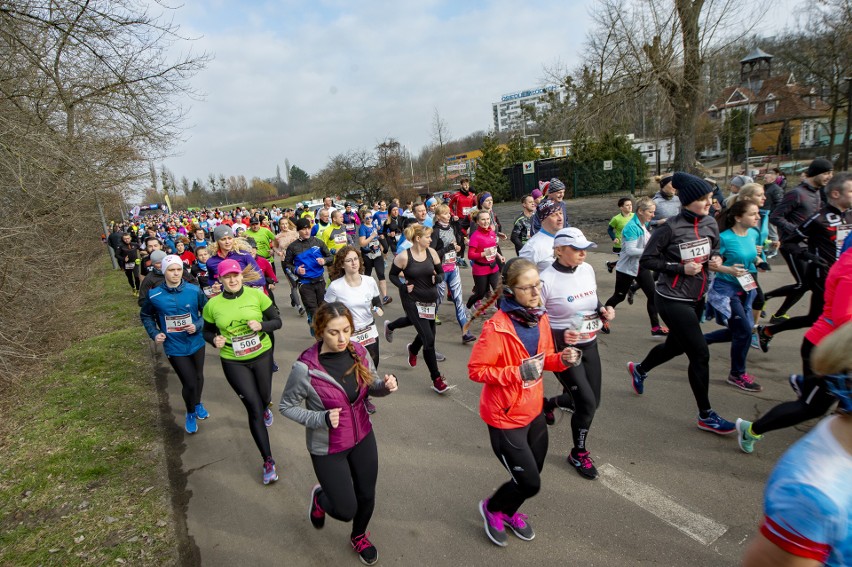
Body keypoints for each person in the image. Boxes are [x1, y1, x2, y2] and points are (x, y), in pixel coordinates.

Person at [468, 257, 581, 547]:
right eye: (528, 287)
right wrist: (515, 372)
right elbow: (476, 371)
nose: (535, 292)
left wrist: (562, 359)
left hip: (534, 411)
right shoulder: (497, 328)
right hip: (505, 418)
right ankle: (492, 508)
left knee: (532, 474)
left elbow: (543, 361)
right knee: (530, 482)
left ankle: (507, 512)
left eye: (538, 285)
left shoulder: (540, 317)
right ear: (510, 291)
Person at [279, 302, 398, 566]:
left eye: (346, 330)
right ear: (320, 331)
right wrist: (319, 418)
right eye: (334, 332)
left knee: (367, 495)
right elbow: (286, 406)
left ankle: (359, 537)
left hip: (363, 436)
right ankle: (321, 498)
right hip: (328, 447)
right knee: (345, 510)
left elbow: (371, 386)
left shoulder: (358, 351)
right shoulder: (305, 368)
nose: (342, 338)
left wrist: (386, 387)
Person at [626, 172, 740, 434]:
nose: (710, 203)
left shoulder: (711, 223)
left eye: (711, 198)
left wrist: (716, 261)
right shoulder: (669, 228)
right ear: (688, 201)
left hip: (697, 296)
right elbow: (647, 262)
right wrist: (679, 267)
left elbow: (715, 250)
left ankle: (640, 369)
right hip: (671, 299)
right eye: (704, 199)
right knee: (699, 354)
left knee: (676, 346)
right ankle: (706, 415)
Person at [741, 323, 851, 567]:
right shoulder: (812, 494)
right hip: (823, 347)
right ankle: (751, 429)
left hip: (827, 352)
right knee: (809, 407)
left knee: (810, 406)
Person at [736, 245, 852, 454]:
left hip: (838, 348)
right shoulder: (849, 268)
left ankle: (806, 384)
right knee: (811, 408)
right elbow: (842, 316)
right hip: (829, 350)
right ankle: (751, 430)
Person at [540, 228, 613, 479]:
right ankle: (578, 453)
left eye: (585, 248)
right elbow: (534, 321)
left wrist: (603, 311)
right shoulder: (545, 279)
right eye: (576, 249)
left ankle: (550, 403)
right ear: (559, 250)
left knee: (594, 401)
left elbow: (593, 300)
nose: (583, 253)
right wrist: (560, 337)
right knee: (587, 404)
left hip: (589, 344)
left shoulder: (587, 270)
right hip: (564, 351)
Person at [202, 259, 283, 485]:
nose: (232, 279)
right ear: (220, 279)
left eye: (235, 275)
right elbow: (206, 332)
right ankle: (268, 460)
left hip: (262, 355)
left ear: (241, 275)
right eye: (227, 276)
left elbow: (277, 321)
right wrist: (213, 339)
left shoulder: (257, 296)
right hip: (233, 361)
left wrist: (262, 326)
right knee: (253, 408)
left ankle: (266, 406)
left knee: (264, 398)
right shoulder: (212, 305)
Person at [758, 172, 851, 353]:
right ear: (836, 194)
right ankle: (825, 362)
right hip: (822, 276)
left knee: (814, 318)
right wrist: (810, 257)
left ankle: (768, 330)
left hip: (845, 276)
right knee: (834, 319)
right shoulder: (818, 219)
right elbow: (790, 242)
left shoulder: (850, 216)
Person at [140, 255, 209, 434]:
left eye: (179, 269)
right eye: (171, 270)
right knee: (189, 382)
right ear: (164, 272)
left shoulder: (194, 290)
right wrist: (154, 333)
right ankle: (191, 412)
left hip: (196, 341)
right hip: (174, 345)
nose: (176, 273)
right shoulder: (154, 295)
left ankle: (198, 403)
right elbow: (146, 315)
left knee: (199, 377)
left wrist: (198, 325)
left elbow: (207, 313)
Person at [703, 200, 764, 392]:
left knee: (739, 331)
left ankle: (699, 340)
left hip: (746, 288)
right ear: (738, 217)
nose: (758, 217)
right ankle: (737, 374)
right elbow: (711, 264)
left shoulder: (753, 234)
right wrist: (727, 269)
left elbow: (749, 254)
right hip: (725, 290)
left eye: (757, 213)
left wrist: (758, 259)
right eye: (753, 214)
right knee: (744, 331)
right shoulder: (725, 238)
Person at [384, 223, 452, 393]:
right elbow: (392, 275)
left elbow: (441, 272)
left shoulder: (432, 253)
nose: (431, 239)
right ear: (418, 238)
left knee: (423, 332)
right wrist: (402, 286)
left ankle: (412, 348)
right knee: (429, 339)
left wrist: (439, 279)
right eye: (428, 237)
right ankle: (436, 379)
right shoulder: (404, 256)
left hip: (430, 300)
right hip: (412, 300)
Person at [764, 157, 833, 323]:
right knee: (804, 284)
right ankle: (764, 298)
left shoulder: (817, 193)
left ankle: (778, 313)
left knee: (807, 284)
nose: (829, 176)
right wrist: (797, 231)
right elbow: (776, 216)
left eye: (831, 173)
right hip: (792, 245)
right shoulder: (796, 193)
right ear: (815, 173)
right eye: (826, 173)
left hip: (808, 247)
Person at [324, 246, 384, 414]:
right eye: (349, 260)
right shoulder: (336, 287)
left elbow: (377, 302)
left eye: (356, 259)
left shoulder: (369, 281)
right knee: (353, 368)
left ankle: (365, 396)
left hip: (370, 330)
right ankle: (358, 399)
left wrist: (378, 309)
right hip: (351, 334)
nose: (353, 263)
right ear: (342, 265)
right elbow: (326, 308)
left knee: (372, 366)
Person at [604, 197, 667, 336]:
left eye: (653, 212)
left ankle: (655, 328)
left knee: (653, 296)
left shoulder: (642, 224)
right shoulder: (632, 227)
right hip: (626, 270)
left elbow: (647, 243)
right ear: (641, 211)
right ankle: (602, 318)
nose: (653, 215)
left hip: (641, 267)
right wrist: (652, 252)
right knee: (618, 297)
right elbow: (631, 251)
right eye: (651, 212)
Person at [431, 204, 476, 343]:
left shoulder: (451, 227)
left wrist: (457, 248)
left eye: (449, 213)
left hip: (453, 268)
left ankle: (465, 332)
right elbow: (432, 255)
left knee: (458, 300)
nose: (449, 215)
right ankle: (427, 324)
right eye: (445, 214)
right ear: (438, 217)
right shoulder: (435, 231)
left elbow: (457, 245)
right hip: (441, 270)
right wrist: (447, 248)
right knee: (437, 301)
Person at [283, 217, 333, 329]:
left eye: (308, 228)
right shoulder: (293, 247)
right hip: (305, 284)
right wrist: (296, 270)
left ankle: (316, 324)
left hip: (320, 281)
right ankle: (319, 333)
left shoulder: (318, 243)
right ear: (298, 231)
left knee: (323, 308)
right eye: (303, 229)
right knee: (313, 310)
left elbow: (330, 257)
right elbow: (287, 265)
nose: (306, 231)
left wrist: (324, 260)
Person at [466, 209, 504, 317]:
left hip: (493, 267)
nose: (486, 221)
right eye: (483, 219)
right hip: (480, 269)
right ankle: (468, 307)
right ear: (477, 222)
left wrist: (499, 256)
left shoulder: (492, 233)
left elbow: (493, 248)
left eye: (487, 219)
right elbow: (470, 255)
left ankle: (501, 316)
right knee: (480, 293)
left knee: (499, 292)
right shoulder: (475, 236)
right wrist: (483, 254)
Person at [357, 208, 391, 305]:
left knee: (381, 274)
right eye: (367, 218)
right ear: (363, 219)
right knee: (367, 276)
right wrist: (371, 236)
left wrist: (380, 242)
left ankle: (385, 297)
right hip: (367, 255)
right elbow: (362, 243)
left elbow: (376, 239)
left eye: (371, 217)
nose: (369, 219)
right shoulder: (362, 228)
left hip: (377, 254)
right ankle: (367, 297)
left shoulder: (374, 225)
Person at [519, 200, 564, 272]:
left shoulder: (566, 237)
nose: (560, 218)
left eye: (560, 213)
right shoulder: (532, 247)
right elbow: (520, 275)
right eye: (554, 215)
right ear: (543, 219)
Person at [449, 177, 477, 267]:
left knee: (470, 238)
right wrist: (453, 215)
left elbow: (476, 206)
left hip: (469, 219)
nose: (466, 186)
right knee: (461, 239)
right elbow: (449, 207)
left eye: (467, 184)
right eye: (464, 184)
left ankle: (465, 257)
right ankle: (460, 258)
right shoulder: (456, 196)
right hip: (460, 220)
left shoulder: (472, 195)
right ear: (461, 185)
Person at [605, 197, 634, 273]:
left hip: (632, 243)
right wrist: (613, 238)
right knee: (627, 262)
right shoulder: (616, 219)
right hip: (620, 245)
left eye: (631, 204)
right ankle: (631, 280)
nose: (630, 206)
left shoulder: (635, 216)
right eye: (627, 205)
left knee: (628, 261)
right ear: (621, 207)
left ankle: (611, 265)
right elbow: (609, 229)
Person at [117, 232, 141, 296]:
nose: (127, 240)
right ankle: (133, 287)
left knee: (137, 277)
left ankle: (138, 290)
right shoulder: (121, 246)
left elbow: (142, 249)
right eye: (125, 239)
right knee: (130, 277)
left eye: (128, 238)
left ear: (130, 238)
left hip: (135, 263)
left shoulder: (135, 244)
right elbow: (117, 255)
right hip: (127, 264)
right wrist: (123, 259)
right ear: (122, 239)